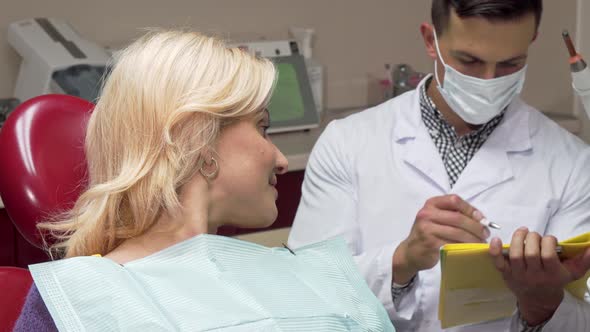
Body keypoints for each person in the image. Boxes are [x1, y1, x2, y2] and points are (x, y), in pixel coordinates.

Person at [14, 30, 394, 331]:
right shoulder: (76, 302)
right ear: (201, 140)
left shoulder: (309, 278)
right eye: (263, 128)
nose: (279, 159)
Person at [289, 0, 590, 331]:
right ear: (431, 40)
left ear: (531, 41)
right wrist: (403, 261)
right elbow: (305, 296)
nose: (488, 80)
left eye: (510, 64)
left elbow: (582, 318)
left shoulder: (573, 164)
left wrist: (543, 306)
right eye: (469, 60)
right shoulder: (347, 144)